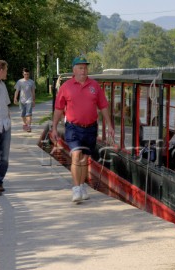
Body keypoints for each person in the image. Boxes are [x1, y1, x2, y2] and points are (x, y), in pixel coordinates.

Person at [51, 56, 114, 202]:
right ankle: (76, 188)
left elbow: (103, 106)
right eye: (80, 67)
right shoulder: (66, 86)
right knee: (76, 154)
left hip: (90, 127)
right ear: (74, 70)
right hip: (73, 127)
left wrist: (110, 125)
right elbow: (58, 108)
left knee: (85, 157)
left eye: (85, 67)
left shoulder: (94, 86)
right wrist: (54, 127)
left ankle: (82, 184)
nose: (83, 70)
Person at [0, 59, 11, 196]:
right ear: (0, 70)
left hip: (5, 126)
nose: (7, 72)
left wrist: (9, 122)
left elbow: (6, 105)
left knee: (4, 158)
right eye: (5, 70)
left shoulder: (3, 85)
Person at [14, 68, 36, 132]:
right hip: (22, 100)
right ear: (23, 74)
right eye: (25, 74)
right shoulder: (20, 81)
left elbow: (33, 92)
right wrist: (15, 98)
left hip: (29, 100)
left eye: (27, 74)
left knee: (28, 114)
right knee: (22, 114)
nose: (26, 75)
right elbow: (17, 91)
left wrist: (34, 100)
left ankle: (29, 126)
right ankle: (25, 124)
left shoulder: (31, 82)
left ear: (29, 74)